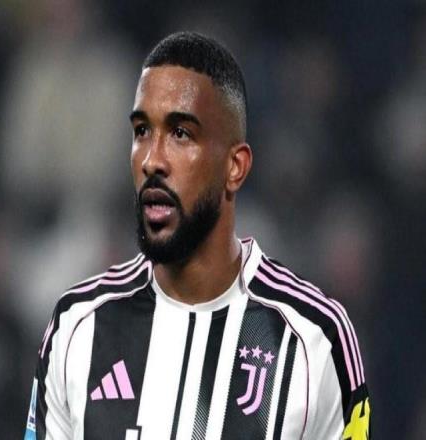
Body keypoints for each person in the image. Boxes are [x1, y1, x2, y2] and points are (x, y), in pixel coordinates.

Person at [24, 31, 371, 440]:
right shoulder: (77, 328)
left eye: (181, 134)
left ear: (234, 167)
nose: (152, 160)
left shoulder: (315, 339)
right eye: (142, 131)